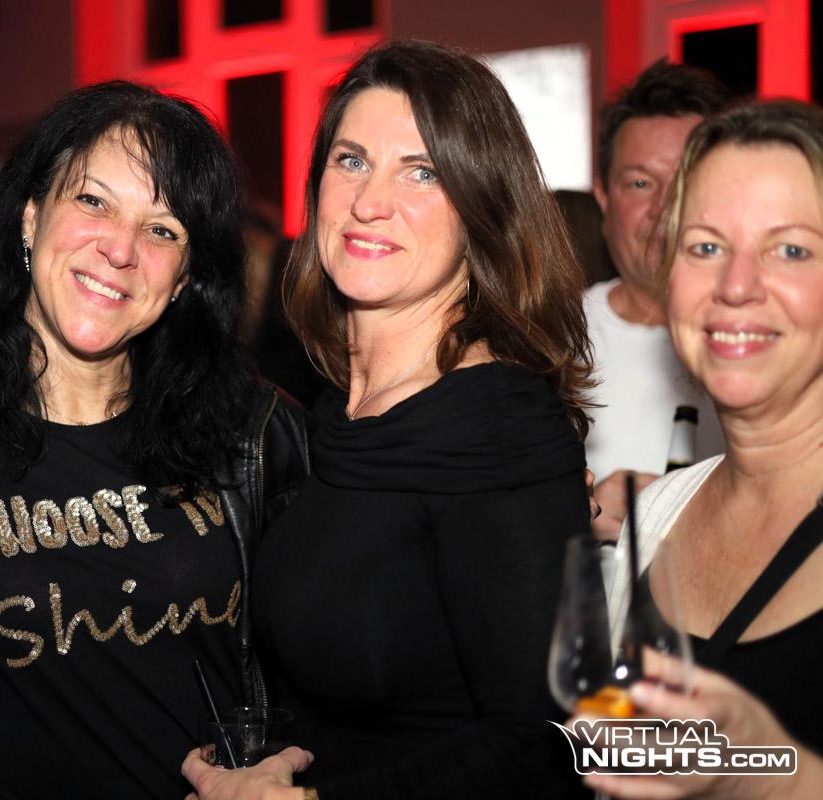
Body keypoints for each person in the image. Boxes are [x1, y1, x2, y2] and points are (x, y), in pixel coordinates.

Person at [0, 81, 310, 798]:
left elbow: (332, 677)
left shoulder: (255, 437)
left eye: (163, 230)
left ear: (185, 278)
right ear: (30, 216)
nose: (120, 249)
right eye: (93, 201)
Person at [185, 40, 593, 799]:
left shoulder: (495, 428)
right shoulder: (338, 411)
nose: (370, 201)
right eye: (351, 161)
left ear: (483, 208)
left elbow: (547, 740)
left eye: (422, 171)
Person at [595, 100, 823, 799]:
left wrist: (772, 774)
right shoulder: (655, 517)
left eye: (791, 250)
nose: (736, 286)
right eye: (705, 247)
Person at [585, 61, 731, 540]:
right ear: (603, 197)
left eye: (687, 180)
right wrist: (573, 514)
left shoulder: (774, 343)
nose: (665, 208)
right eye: (640, 183)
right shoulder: (544, 341)